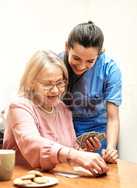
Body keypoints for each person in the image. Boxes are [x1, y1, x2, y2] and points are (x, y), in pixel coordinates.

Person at [3, 50, 108, 175]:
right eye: (48, 84)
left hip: (55, 181)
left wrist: (83, 152)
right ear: (31, 83)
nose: (55, 90)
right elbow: (32, 142)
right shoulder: (19, 106)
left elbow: (67, 152)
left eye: (60, 83)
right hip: (22, 183)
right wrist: (74, 155)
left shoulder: (63, 109)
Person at [59, 21, 122, 163]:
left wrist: (110, 149)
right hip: (64, 129)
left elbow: (113, 118)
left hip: (98, 133)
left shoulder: (110, 70)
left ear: (100, 54)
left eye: (90, 61)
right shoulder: (56, 64)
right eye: (76, 58)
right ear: (66, 47)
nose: (81, 66)